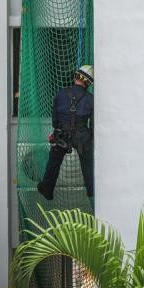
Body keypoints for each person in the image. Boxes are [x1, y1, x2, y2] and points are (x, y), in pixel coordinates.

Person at [37, 65, 94, 200]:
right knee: (88, 164)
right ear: (88, 82)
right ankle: (92, 191)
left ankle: (47, 189)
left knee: (53, 163)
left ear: (76, 76)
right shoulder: (90, 98)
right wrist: (90, 137)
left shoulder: (61, 93)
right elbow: (93, 123)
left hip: (62, 133)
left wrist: (57, 130)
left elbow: (55, 119)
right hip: (82, 135)